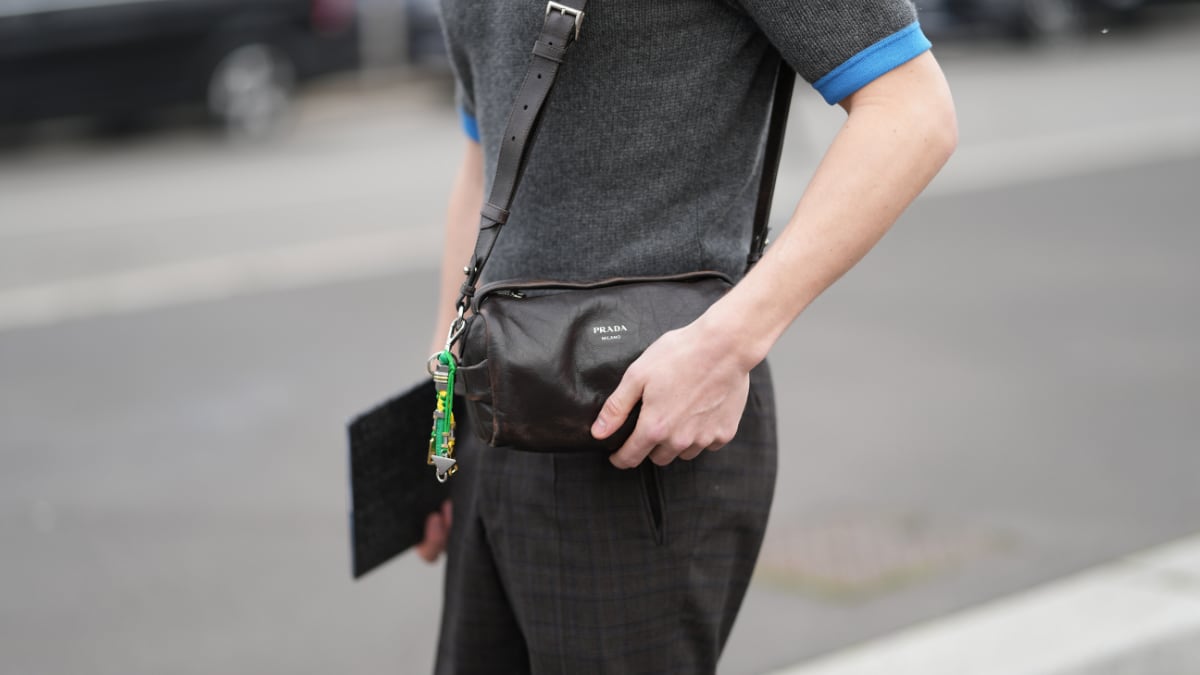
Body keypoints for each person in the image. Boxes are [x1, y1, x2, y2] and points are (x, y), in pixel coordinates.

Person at [417, 1, 957, 672]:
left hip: (647, 416)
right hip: (492, 404)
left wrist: (728, 343)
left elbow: (912, 109)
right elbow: (485, 151)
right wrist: (439, 407)